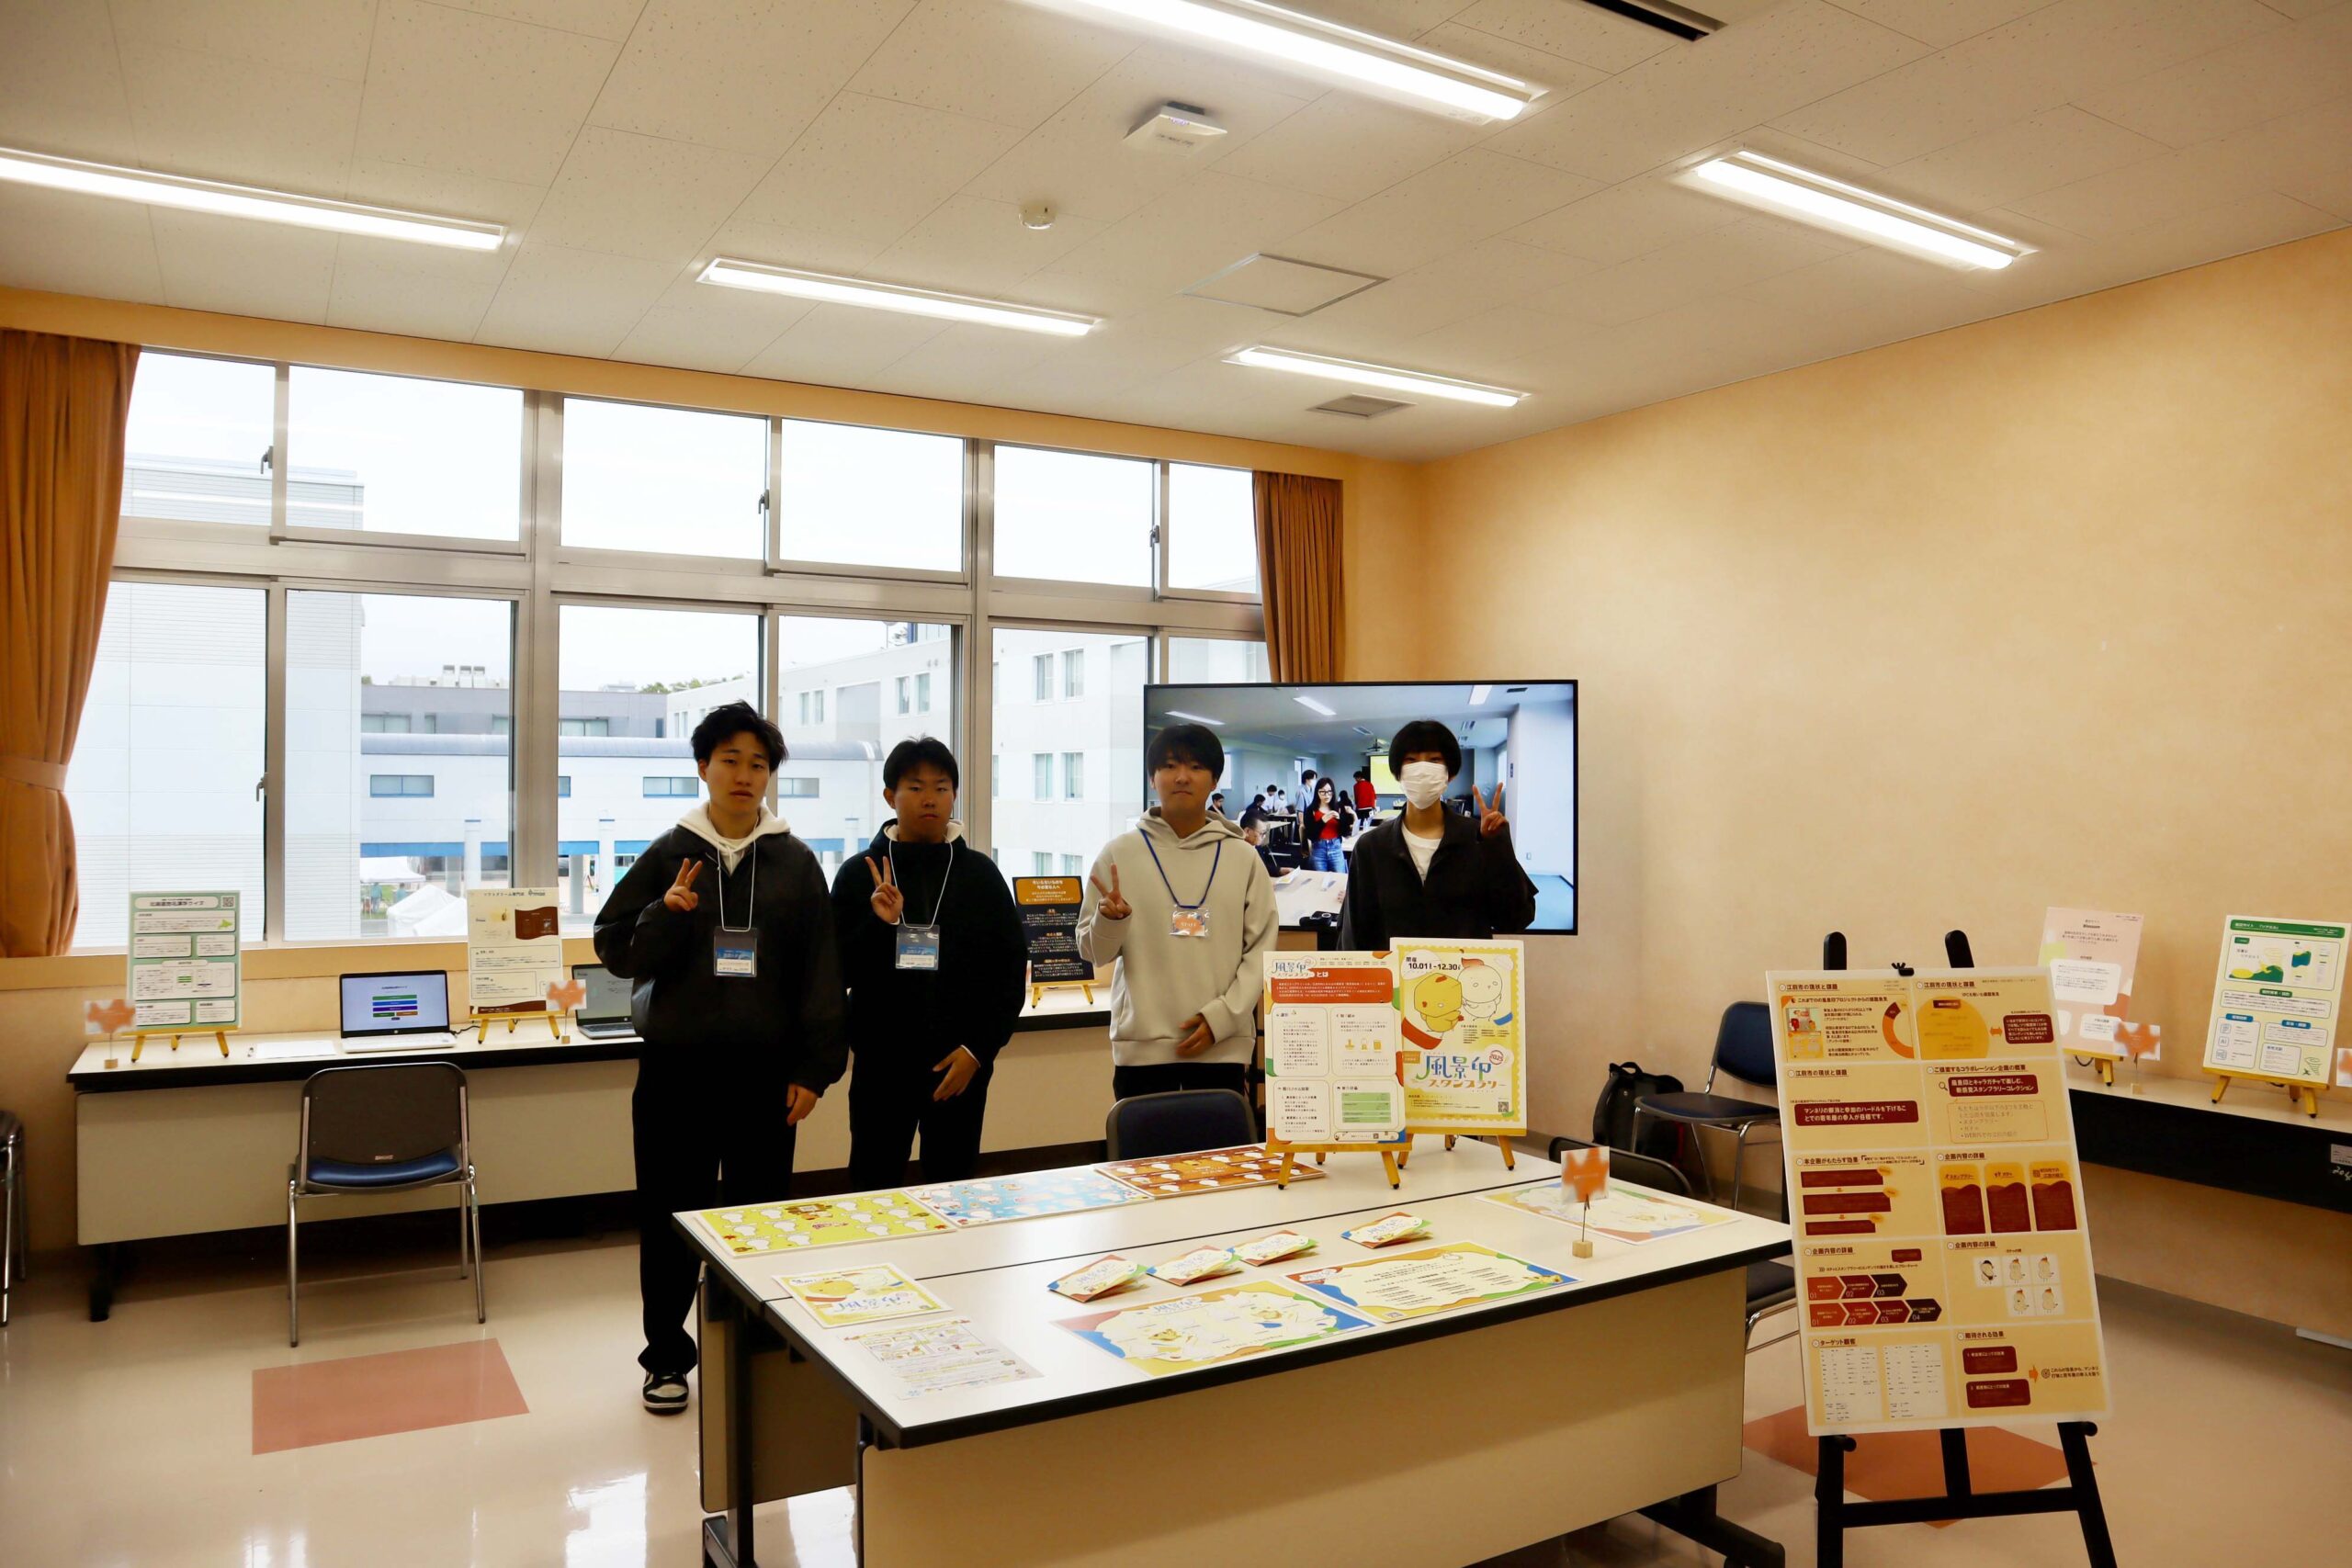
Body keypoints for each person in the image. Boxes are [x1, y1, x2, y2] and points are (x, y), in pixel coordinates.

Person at [593, 701, 845, 1416]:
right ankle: (666, 1357)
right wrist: (664, 913)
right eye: (730, 759)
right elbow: (616, 948)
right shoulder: (671, 852)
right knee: (669, 1216)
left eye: (758, 764)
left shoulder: (796, 862)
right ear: (703, 766)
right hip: (676, 1072)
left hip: (767, 1076)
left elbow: (821, 972)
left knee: (759, 1218)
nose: (744, 774)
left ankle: (756, 1350)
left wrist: (814, 1069)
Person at [830, 738, 1024, 1195]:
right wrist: (880, 924)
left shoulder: (980, 875)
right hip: (882, 1066)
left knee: (954, 1190)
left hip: (959, 1063)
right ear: (890, 797)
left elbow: (1009, 974)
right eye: (915, 787)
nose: (930, 799)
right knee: (874, 1189)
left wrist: (978, 1050)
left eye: (941, 787)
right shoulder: (860, 874)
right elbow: (837, 972)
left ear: (954, 795)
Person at [1079, 722, 1277, 1102]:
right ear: (1152, 778)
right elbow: (1093, 953)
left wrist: (1223, 1018)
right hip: (1142, 1050)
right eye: (1169, 766)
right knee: (1143, 1143)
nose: (1182, 777)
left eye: (1196, 767)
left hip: (1221, 1046)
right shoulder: (1119, 854)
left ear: (1214, 780)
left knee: (1218, 1144)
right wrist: (1110, 920)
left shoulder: (1243, 858)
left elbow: (1261, 951)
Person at [1339, 719, 1537, 951]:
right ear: (1397, 773)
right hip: (1394, 973)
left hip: (1465, 971)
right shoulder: (1371, 846)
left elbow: (1516, 919)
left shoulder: (1478, 838)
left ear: (1450, 773)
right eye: (1411, 760)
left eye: (1434, 760)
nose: (1422, 770)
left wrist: (1497, 846)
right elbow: (1355, 934)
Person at [1304, 776, 1351, 873]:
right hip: (1318, 849)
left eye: (1329, 791)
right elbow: (1311, 835)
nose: (1327, 795)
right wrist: (1322, 821)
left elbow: (1346, 833)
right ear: (1317, 792)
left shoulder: (1339, 807)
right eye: (1323, 792)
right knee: (1320, 879)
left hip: (1336, 848)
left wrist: (1340, 819)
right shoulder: (1311, 810)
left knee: (1339, 878)